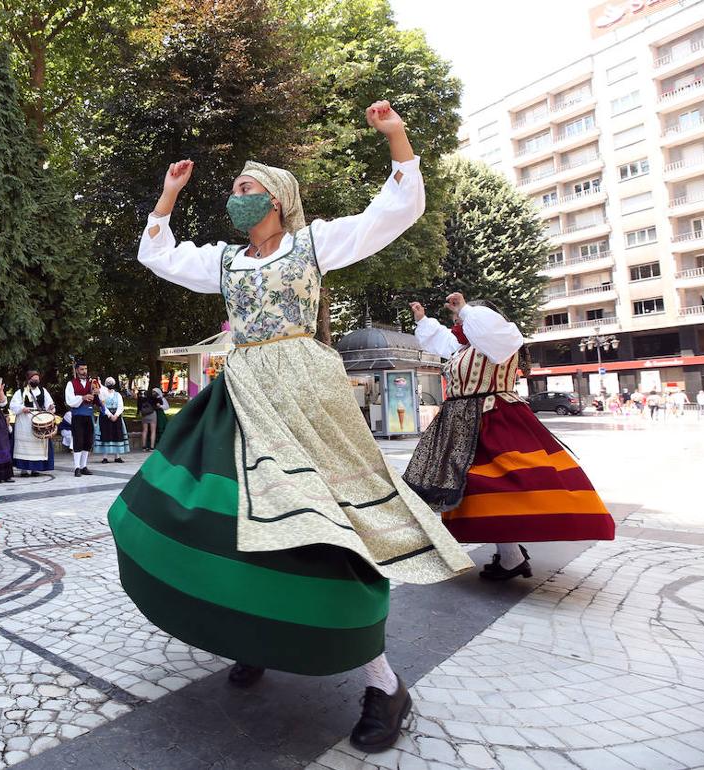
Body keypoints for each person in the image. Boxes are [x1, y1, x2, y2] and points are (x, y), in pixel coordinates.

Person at [109, 101, 472, 753]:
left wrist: (396, 135)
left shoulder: (312, 244)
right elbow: (157, 255)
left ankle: (385, 685)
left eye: (247, 188)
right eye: (233, 190)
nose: (236, 197)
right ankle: (251, 632)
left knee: (319, 530)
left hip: (304, 398)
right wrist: (167, 193)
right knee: (213, 519)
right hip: (240, 396)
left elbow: (391, 212)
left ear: (277, 197)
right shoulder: (225, 262)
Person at [405, 294, 615, 581]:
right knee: (477, 488)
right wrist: (422, 320)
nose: (458, 322)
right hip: (462, 420)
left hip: (491, 417)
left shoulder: (497, 339)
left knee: (493, 484)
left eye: (462, 318)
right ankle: (510, 556)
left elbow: (488, 330)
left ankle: (511, 555)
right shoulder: (468, 346)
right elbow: (446, 341)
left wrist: (466, 310)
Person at [11, 370, 55, 477]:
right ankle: (24, 469)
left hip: (39, 419)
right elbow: (13, 405)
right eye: (33, 378)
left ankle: (36, 469)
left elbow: (49, 403)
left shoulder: (43, 391)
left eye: (37, 378)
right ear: (28, 380)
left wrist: (50, 407)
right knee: (24, 445)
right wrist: (22, 408)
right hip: (24, 421)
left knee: (37, 445)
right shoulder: (20, 392)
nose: (36, 380)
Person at [64, 360, 97, 477]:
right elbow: (70, 401)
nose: (84, 371)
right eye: (82, 369)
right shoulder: (71, 384)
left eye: (86, 369)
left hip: (89, 415)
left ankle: (84, 466)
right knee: (78, 440)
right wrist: (82, 397)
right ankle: (77, 467)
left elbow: (97, 400)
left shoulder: (91, 383)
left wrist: (96, 392)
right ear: (77, 370)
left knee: (88, 441)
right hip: (77, 415)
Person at [95, 377, 130, 463]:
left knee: (117, 435)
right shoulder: (102, 394)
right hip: (105, 417)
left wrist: (116, 415)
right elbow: (102, 406)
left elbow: (121, 406)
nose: (110, 385)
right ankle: (105, 457)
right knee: (105, 435)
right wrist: (110, 415)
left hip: (116, 417)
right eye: (109, 383)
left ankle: (117, 456)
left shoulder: (118, 395)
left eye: (111, 383)